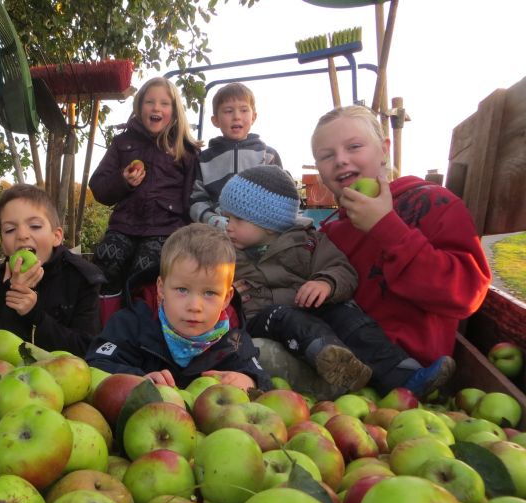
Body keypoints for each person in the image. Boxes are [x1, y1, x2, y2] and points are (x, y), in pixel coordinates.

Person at [221, 165, 457, 397]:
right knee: (284, 315)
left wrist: (325, 283)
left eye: (236, 219)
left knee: (347, 315)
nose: (227, 226)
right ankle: (332, 360)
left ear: (268, 223)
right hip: (262, 320)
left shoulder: (309, 243)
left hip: (308, 314)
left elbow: (341, 269)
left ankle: (405, 376)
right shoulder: (224, 252)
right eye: (226, 217)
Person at [311, 105, 492, 368]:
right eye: (327, 156)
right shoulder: (328, 233)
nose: (340, 160)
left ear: (384, 150)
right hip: (339, 372)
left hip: (415, 375)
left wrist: (386, 228)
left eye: (354, 147)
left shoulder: (432, 203)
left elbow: (466, 293)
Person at [86, 223, 271, 392]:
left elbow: (263, 380)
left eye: (209, 293)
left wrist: (249, 382)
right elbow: (97, 363)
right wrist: (137, 380)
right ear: (161, 288)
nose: (194, 306)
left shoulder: (234, 340)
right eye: (182, 290)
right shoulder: (132, 324)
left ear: (226, 298)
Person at [89, 76, 201, 323]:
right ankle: (105, 326)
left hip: (164, 228)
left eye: (164, 103)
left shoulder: (185, 150)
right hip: (125, 225)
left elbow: (192, 198)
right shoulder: (123, 143)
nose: (156, 108)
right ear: (139, 108)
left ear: (174, 111)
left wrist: (190, 235)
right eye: (149, 102)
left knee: (146, 268)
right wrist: (123, 181)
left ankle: (137, 326)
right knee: (108, 257)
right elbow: (98, 187)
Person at [0, 184, 106, 357]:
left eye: (35, 226)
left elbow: (86, 349)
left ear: (57, 236)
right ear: (3, 244)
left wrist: (35, 314)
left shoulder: (82, 278)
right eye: (10, 229)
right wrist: (12, 298)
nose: (22, 235)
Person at [190, 82, 283, 231]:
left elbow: (281, 196)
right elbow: (197, 199)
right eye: (228, 111)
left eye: (244, 110)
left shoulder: (268, 155)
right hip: (218, 232)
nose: (236, 117)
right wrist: (211, 219)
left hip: (259, 229)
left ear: (254, 117)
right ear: (215, 120)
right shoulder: (204, 160)